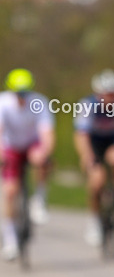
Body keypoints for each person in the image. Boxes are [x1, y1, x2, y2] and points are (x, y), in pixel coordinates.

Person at [73, 69, 114, 246]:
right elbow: (81, 135)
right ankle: (94, 221)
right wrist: (86, 156)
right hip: (92, 143)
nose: (110, 98)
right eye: (107, 94)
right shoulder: (88, 105)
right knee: (96, 181)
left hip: (111, 141)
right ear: (98, 93)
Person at [0, 69, 55, 260]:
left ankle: (39, 198)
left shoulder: (39, 102)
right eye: (18, 93)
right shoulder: (3, 103)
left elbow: (46, 132)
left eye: (25, 93)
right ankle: (10, 239)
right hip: (11, 146)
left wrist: (45, 152)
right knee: (10, 192)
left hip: (32, 143)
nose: (21, 98)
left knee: (40, 158)